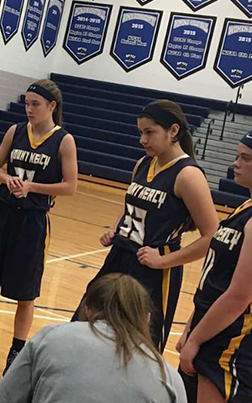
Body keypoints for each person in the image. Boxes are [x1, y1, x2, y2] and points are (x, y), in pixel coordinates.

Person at [0, 80, 78, 373]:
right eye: (27, 103)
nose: (29, 109)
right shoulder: (16, 131)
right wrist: (5, 178)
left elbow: (70, 186)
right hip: (1, 215)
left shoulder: (64, 140)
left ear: (52, 106)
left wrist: (32, 187)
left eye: (35, 104)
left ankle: (16, 352)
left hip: (32, 222)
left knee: (25, 293)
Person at [74, 100, 218, 351]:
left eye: (150, 132)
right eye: (141, 132)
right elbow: (132, 202)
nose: (143, 139)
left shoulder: (188, 175)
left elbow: (212, 236)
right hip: (120, 256)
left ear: (173, 131)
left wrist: (164, 261)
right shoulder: (143, 164)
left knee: (141, 347)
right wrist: (117, 228)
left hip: (154, 268)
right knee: (85, 323)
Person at [0, 273, 187, 403]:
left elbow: (5, 399)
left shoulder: (51, 337)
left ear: (87, 309)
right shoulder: (169, 377)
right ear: (147, 318)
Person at [178, 130, 252, 402]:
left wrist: (196, 339)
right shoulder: (245, 206)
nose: (236, 163)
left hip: (231, 339)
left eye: (245, 158)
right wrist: (190, 327)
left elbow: (240, 294)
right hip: (208, 324)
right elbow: (214, 277)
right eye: (236, 156)